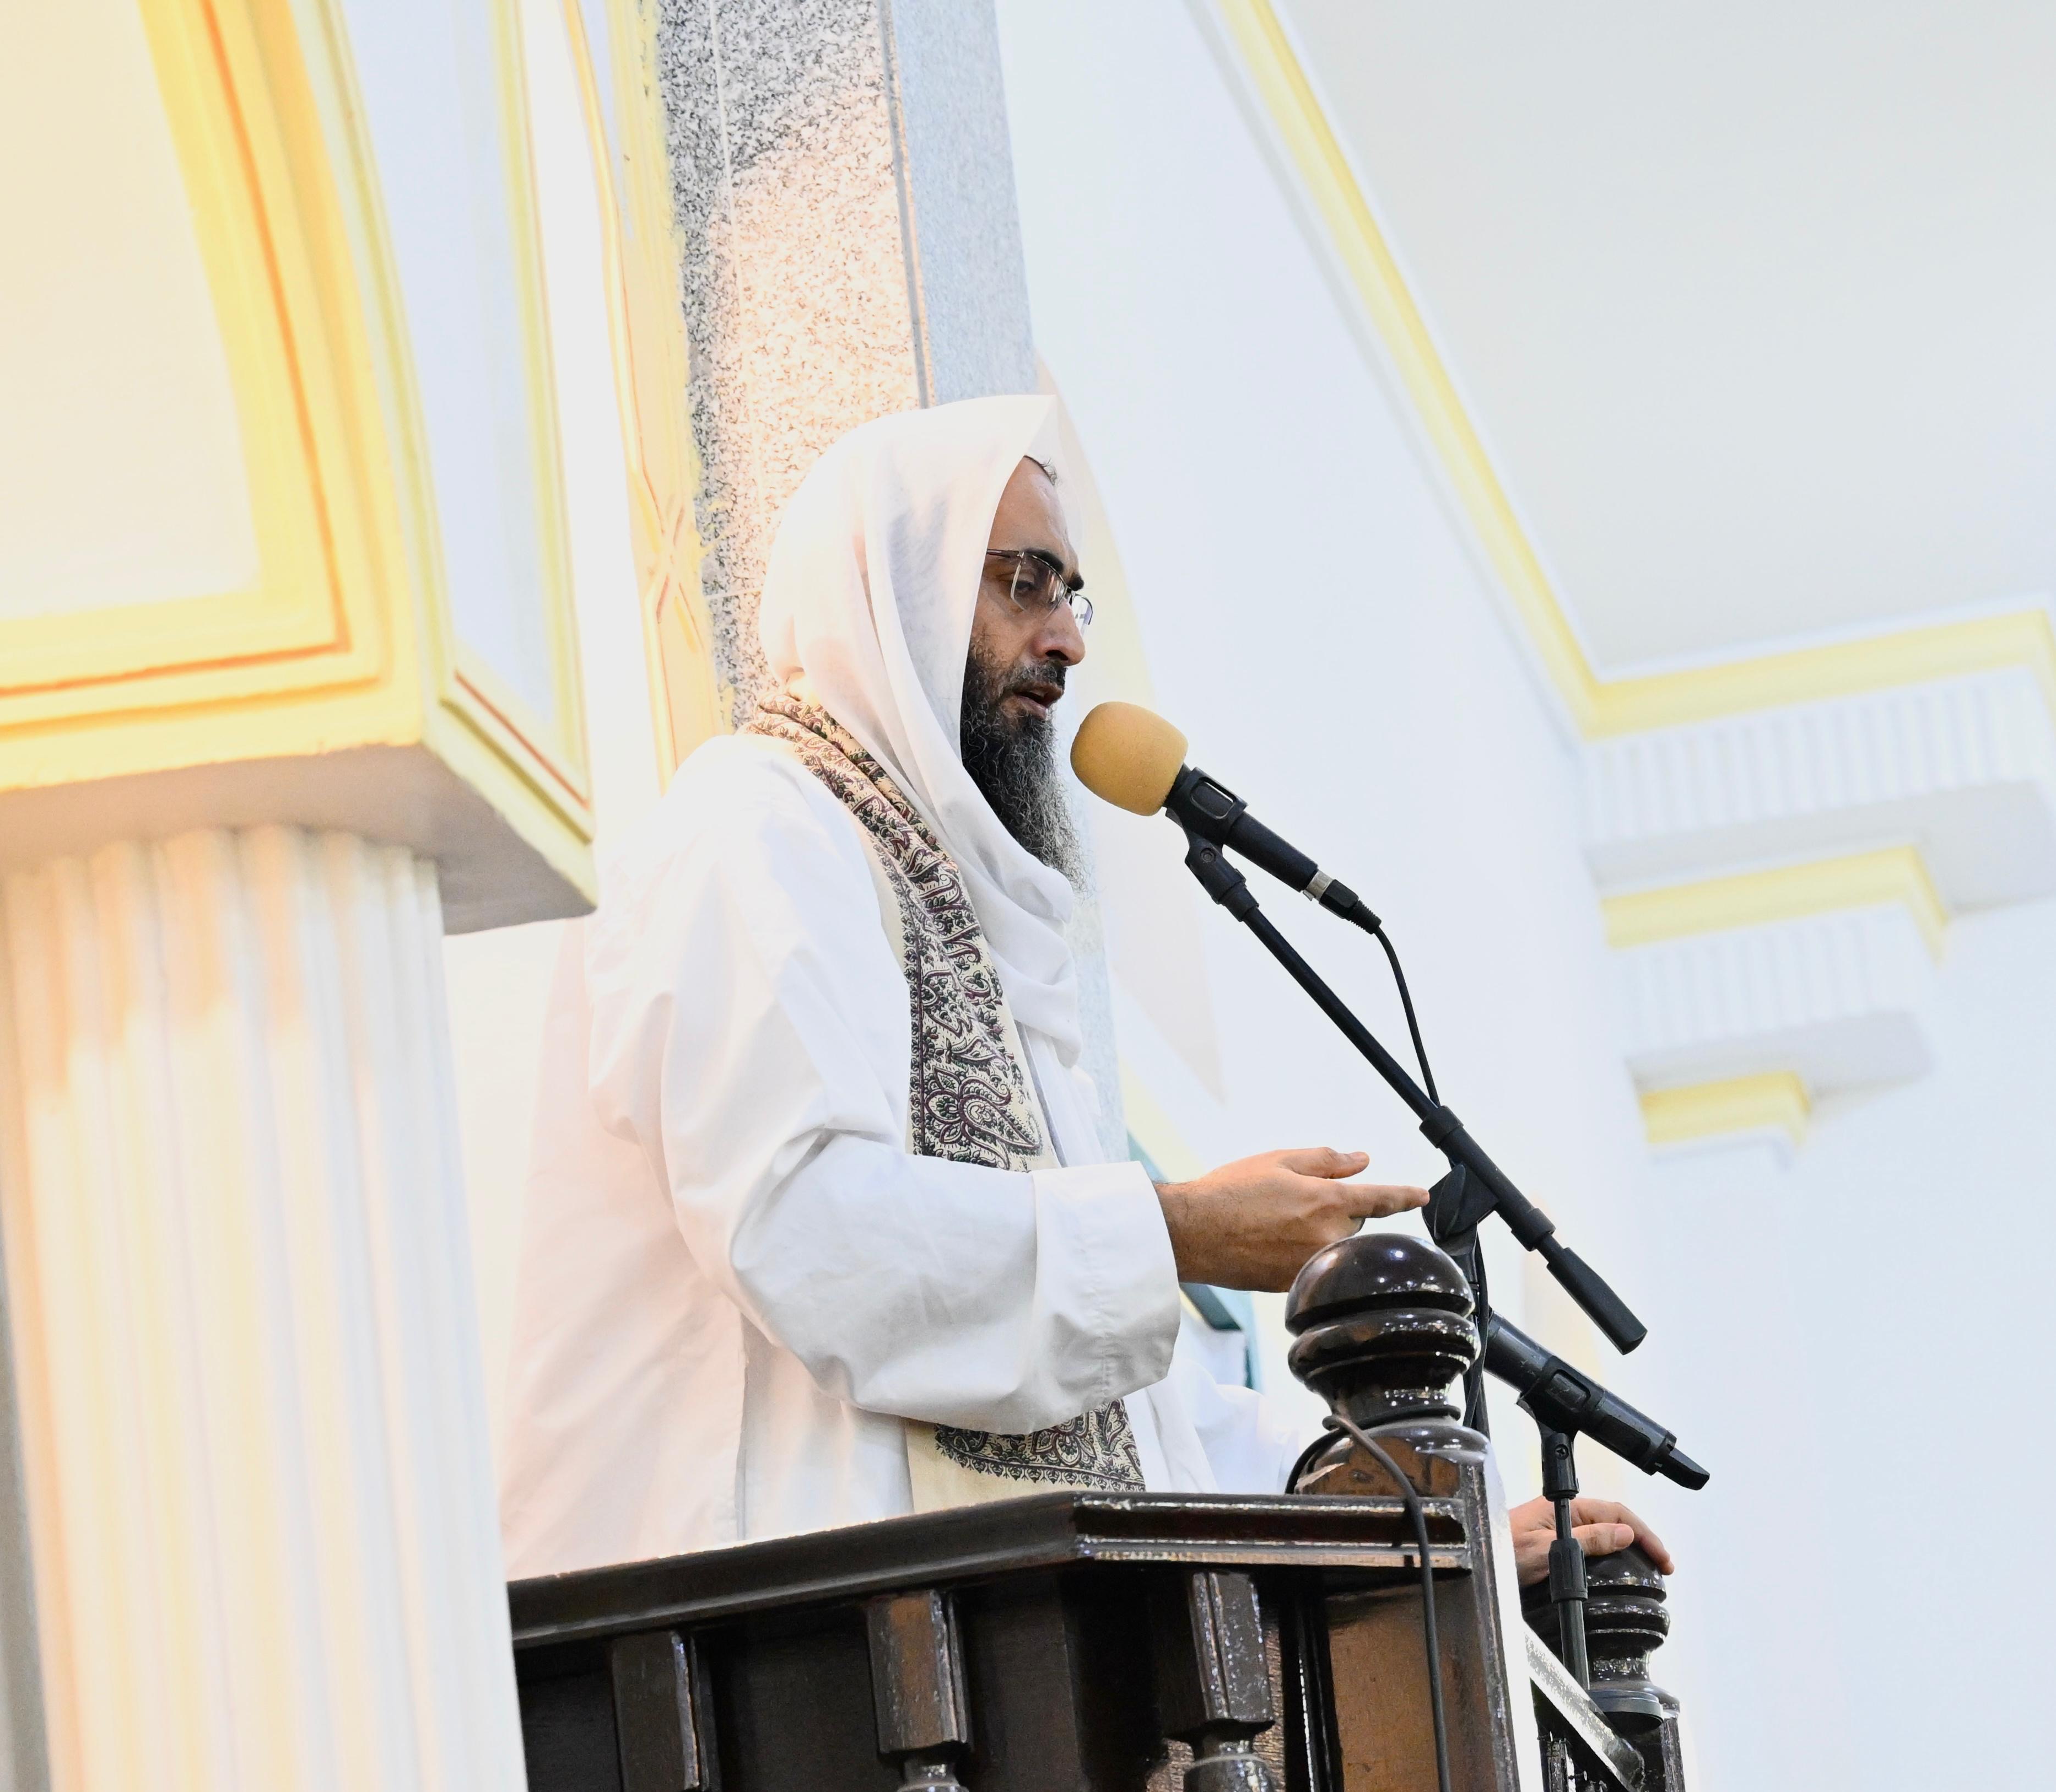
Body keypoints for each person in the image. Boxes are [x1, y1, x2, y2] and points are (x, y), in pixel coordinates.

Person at [498, 396, 1668, 1590]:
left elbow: (1130, 1420)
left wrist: (1390, 1500)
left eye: (1072, 596)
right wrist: (1173, 1233)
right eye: (1024, 583)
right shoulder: (757, 826)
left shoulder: (973, 939)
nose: (1066, 639)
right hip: (751, 1638)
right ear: (891, 592)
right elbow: (814, 1234)